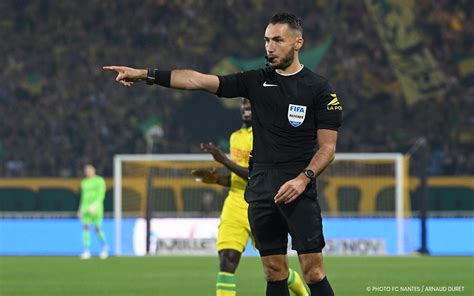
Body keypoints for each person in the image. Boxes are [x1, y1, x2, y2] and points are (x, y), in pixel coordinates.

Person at [104, 12, 341, 296]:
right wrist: (145, 74)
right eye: (266, 40)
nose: (270, 47)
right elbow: (198, 81)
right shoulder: (255, 81)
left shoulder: (320, 89)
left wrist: (303, 180)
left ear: (298, 42)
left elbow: (327, 149)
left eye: (278, 40)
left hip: (298, 190)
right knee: (274, 271)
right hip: (261, 189)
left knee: (313, 272)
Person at [192, 98, 308, 296]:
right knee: (226, 261)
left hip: (262, 204)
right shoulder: (235, 137)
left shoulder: (266, 137)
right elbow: (239, 177)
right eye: (243, 105)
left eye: (251, 105)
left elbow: (257, 175)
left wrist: (223, 160)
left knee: (278, 268)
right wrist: (216, 179)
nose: (246, 108)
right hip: (234, 204)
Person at [78, 163, 108, 259]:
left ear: (94, 171)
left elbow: (101, 195)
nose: (88, 172)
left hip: (96, 209)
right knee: (85, 227)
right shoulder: (84, 182)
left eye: (89, 170)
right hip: (85, 209)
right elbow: (83, 197)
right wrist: (80, 209)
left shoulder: (99, 181)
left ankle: (104, 246)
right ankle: (86, 250)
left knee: (97, 228)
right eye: (86, 171)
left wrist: (94, 206)